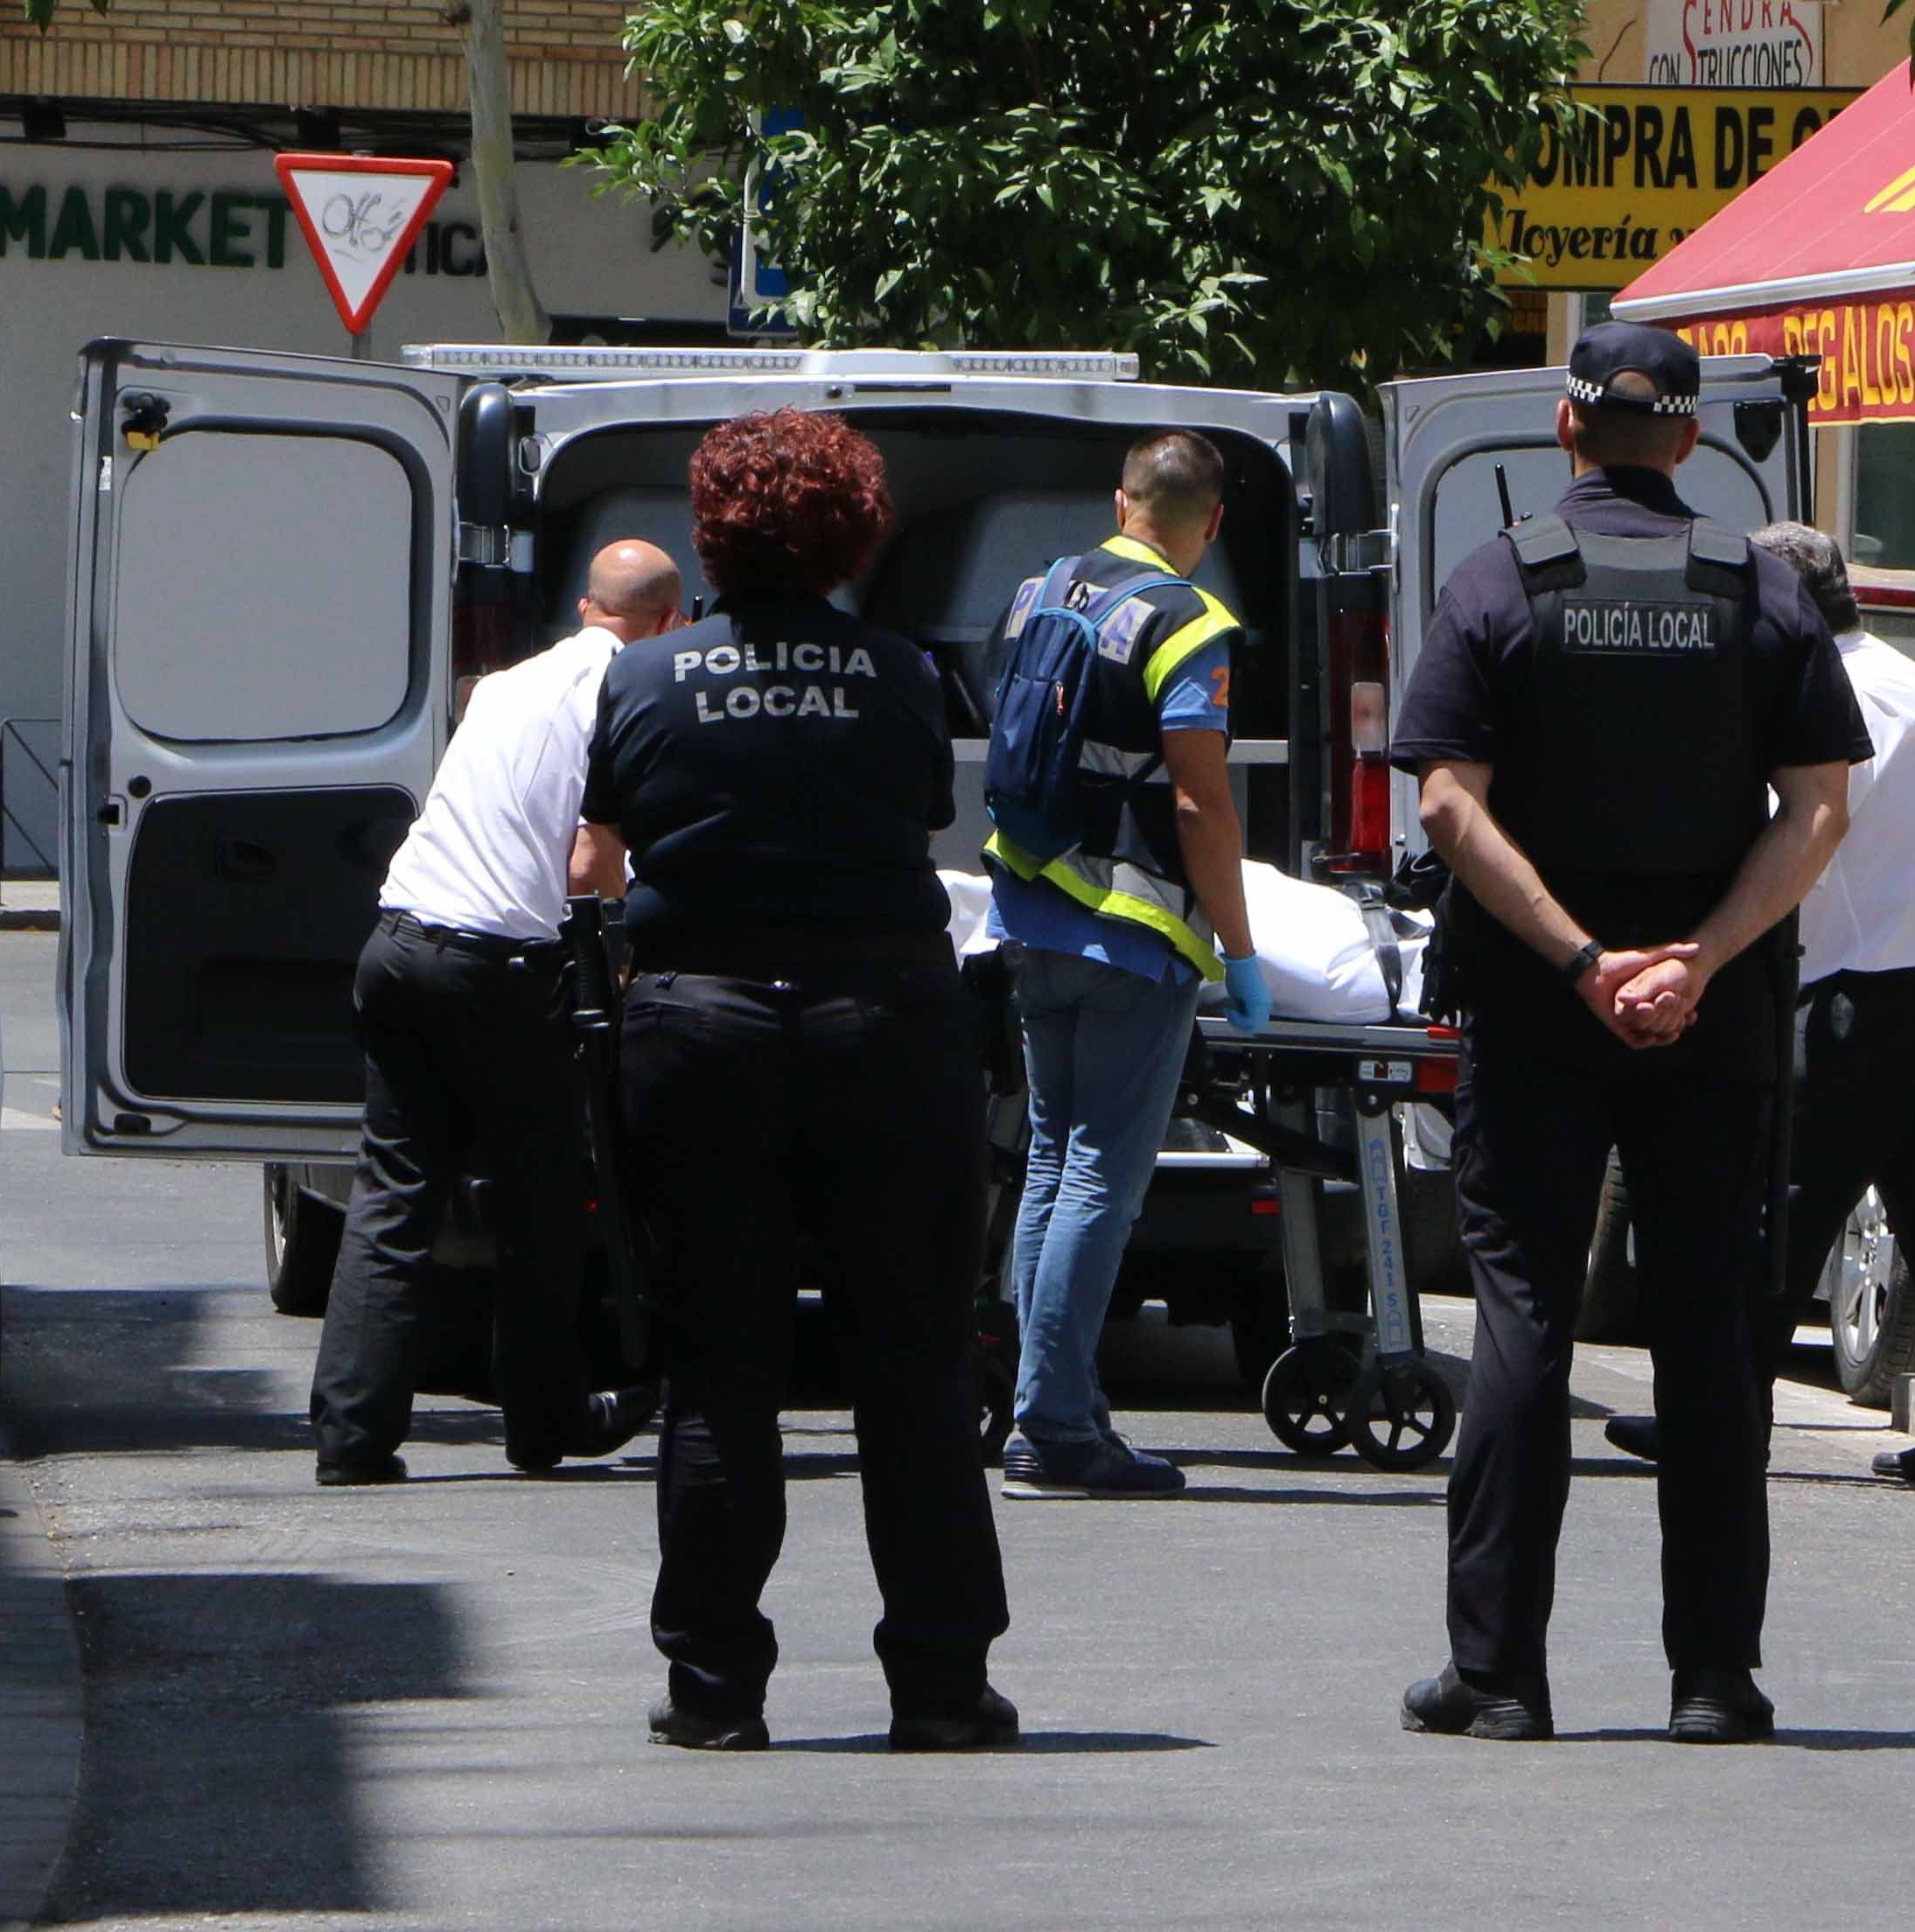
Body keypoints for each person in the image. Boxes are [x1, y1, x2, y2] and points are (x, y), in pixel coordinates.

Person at [1385, 324, 1866, 1747]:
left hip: (1540, 1008)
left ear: (1564, 424)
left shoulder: (1500, 579)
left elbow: (1442, 807)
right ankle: (1713, 1673)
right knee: (1707, 1329)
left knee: (1525, 1310)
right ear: (1693, 436)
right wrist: (1697, 959)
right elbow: (1821, 808)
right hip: (1711, 1023)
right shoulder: (1758, 591)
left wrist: (1585, 960)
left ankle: (1497, 1673)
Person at [583, 409, 1011, 1754]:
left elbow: (609, 838)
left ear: (711, 531)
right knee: (914, 1365)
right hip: (881, 1023)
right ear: (851, 534)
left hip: (700, 1026)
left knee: (720, 1370)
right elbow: (918, 815)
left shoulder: (642, 683)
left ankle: (715, 1688)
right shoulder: (898, 676)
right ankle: (941, 1684)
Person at [1601, 525, 1915, 1484]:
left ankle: (1718, 1417)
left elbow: (1801, 837)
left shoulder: (1831, 696)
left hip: (1871, 994)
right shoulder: (1909, 680)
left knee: (1777, 1205)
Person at [305, 541, 685, 1485]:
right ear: (670, 622)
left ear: (586, 606)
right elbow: (592, 868)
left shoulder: (511, 683)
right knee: (543, 1199)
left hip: (399, 944)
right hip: (504, 969)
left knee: (395, 1189)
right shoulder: (633, 692)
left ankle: (351, 1435)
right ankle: (544, 1421)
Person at [982, 431, 1270, 1500]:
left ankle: (1047, 1403)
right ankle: (1054, 1428)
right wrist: (1239, 953)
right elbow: (1199, 802)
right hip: (1129, 934)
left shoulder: (1043, 588)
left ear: (1121, 501)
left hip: (1031, 915)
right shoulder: (1191, 624)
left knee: (1052, 1164)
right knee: (1099, 1173)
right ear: (1215, 522)